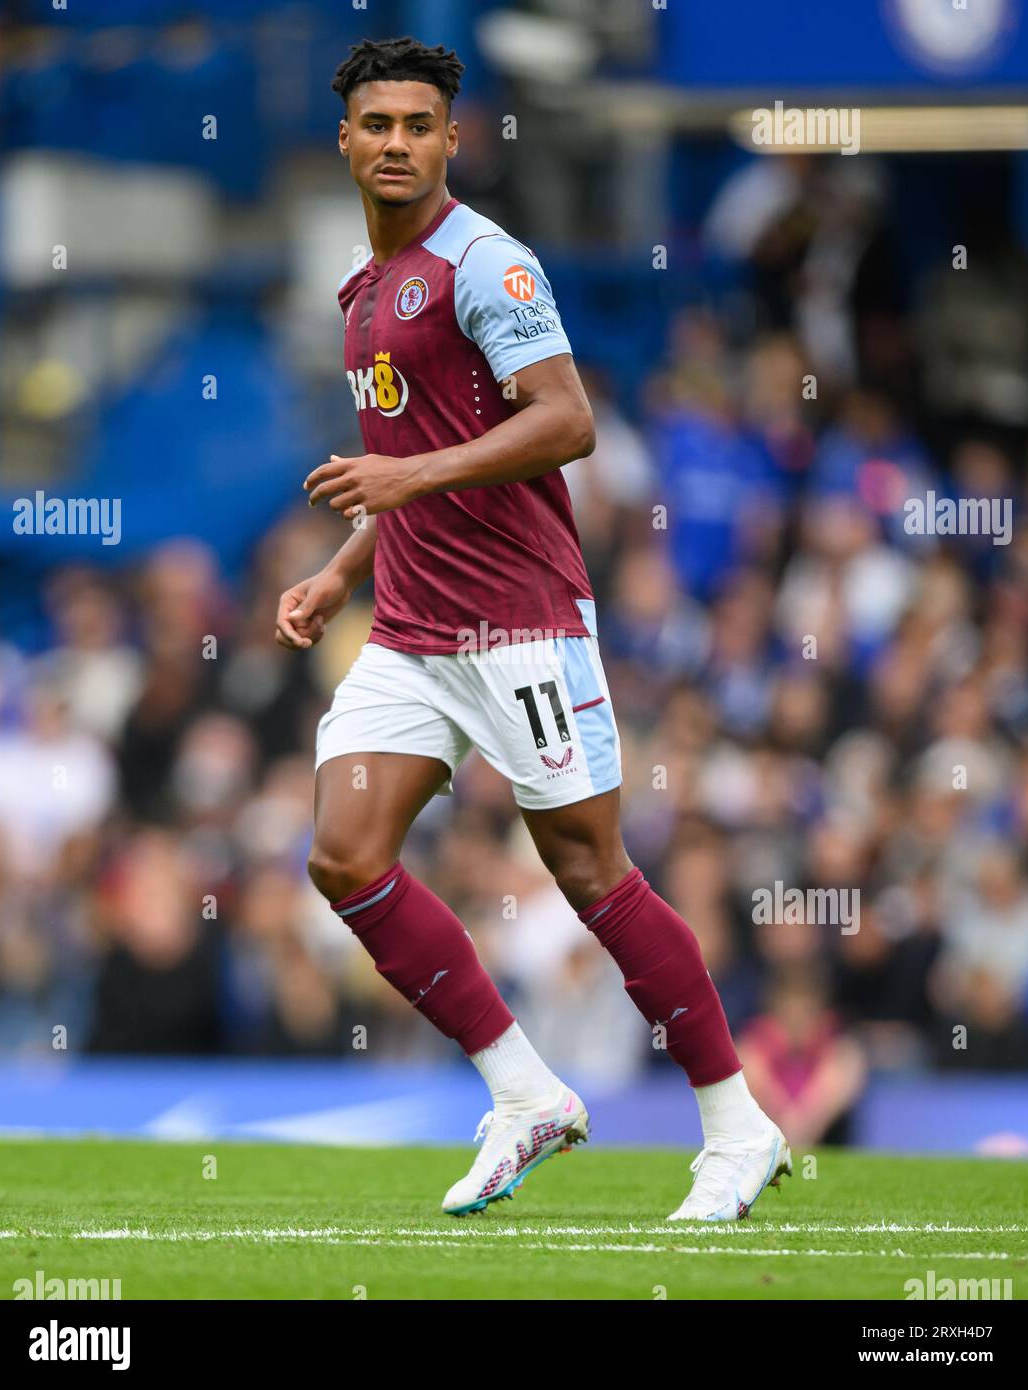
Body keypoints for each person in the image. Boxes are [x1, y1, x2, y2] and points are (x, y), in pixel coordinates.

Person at [275, 35, 790, 1220]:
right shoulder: (361, 291)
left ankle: (734, 1122)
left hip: (519, 625)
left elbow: (566, 422)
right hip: (409, 631)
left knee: (586, 870)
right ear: (345, 141)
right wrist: (341, 569)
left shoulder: (486, 265)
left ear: (451, 140)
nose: (396, 142)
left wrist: (399, 489)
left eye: (419, 124)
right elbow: (404, 470)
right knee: (343, 854)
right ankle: (523, 1095)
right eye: (376, 124)